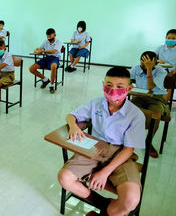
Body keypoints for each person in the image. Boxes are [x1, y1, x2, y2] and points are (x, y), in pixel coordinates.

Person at [58, 67, 145, 216]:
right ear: (103, 84)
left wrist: (104, 173)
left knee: (131, 200)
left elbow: (128, 150)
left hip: (120, 155)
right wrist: (74, 126)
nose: (113, 90)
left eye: (120, 87)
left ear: (129, 88)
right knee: (64, 178)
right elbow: (71, 115)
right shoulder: (96, 103)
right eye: (109, 85)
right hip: (95, 148)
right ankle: (103, 205)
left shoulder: (136, 115)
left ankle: (105, 213)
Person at [129, 51, 168, 158]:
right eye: (142, 63)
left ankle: (148, 141)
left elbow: (150, 87)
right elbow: (127, 80)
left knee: (156, 116)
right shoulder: (136, 68)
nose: (144, 66)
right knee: (128, 112)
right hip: (139, 96)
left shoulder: (161, 71)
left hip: (156, 98)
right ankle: (128, 139)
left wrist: (149, 69)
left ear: (155, 63)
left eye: (148, 64)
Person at [29, 28, 62, 94]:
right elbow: (39, 48)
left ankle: (52, 85)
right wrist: (37, 50)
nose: (49, 38)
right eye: (47, 37)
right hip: (46, 58)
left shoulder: (58, 42)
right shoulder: (45, 41)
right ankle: (45, 79)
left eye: (50, 36)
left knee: (53, 66)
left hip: (54, 58)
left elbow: (54, 51)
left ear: (54, 35)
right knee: (31, 68)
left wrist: (43, 51)